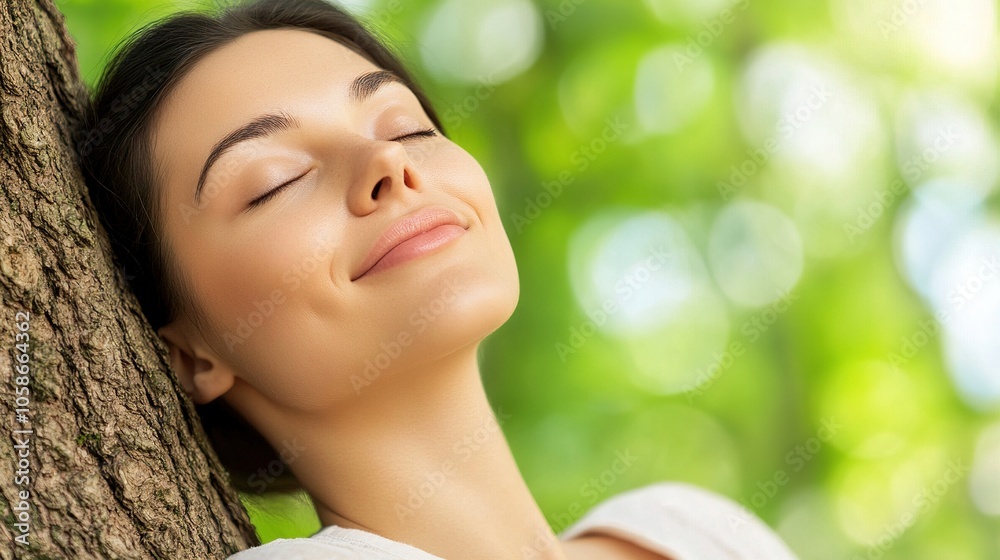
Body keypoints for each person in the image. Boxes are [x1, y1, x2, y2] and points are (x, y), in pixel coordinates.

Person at [78, 0, 802, 558]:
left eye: (406, 127)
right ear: (190, 354)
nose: (389, 163)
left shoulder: (701, 532)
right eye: (277, 180)